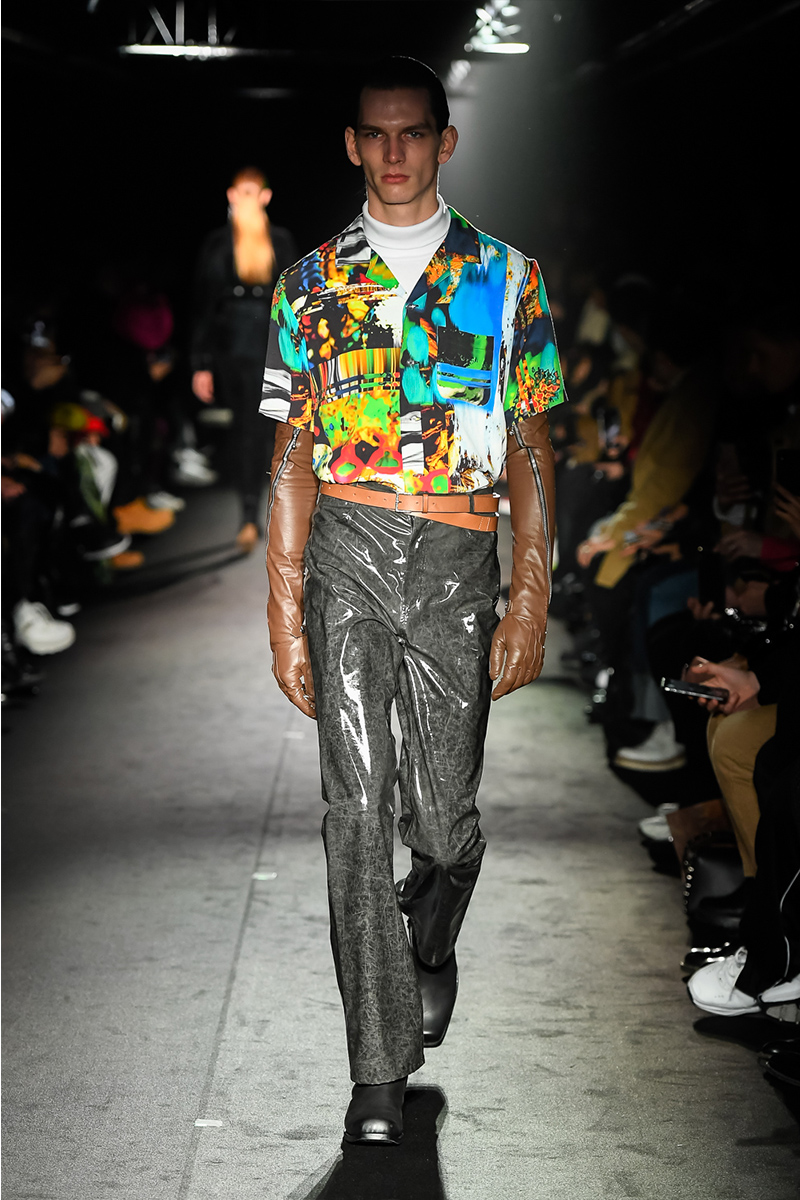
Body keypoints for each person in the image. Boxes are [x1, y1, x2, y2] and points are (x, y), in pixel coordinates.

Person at [259, 57, 566, 1143]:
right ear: (351, 144)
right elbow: (290, 457)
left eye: (412, 132)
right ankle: (376, 1076)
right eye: (374, 134)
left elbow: (532, 446)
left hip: (456, 551)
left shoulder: (509, 278)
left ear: (445, 139)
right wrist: (283, 618)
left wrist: (529, 599)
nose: (393, 152)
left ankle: (427, 938)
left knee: (442, 825)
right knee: (354, 811)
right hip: (345, 542)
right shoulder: (308, 283)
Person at [191, 168, 298, 550]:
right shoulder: (218, 243)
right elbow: (203, 305)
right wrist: (200, 364)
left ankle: (273, 513)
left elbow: (295, 299)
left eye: (253, 192)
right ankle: (250, 516)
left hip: (272, 345)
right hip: (232, 348)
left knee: (273, 431)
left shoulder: (280, 240)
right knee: (245, 431)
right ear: (231, 196)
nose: (247, 199)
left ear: (265, 197)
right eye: (241, 192)